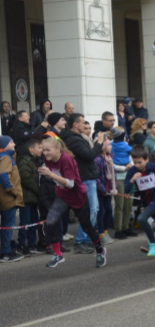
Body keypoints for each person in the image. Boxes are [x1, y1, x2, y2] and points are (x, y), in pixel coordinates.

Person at [38, 136, 107, 268]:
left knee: (87, 226)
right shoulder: (47, 159)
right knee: (51, 221)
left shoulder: (66, 159)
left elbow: (70, 184)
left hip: (77, 196)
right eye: (43, 150)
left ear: (58, 149)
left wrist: (51, 175)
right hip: (62, 195)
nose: (45, 153)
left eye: (48, 150)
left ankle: (100, 250)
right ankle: (58, 254)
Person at [63, 113, 107, 253]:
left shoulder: (78, 138)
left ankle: (87, 240)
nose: (85, 125)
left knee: (93, 210)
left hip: (88, 177)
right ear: (75, 125)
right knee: (91, 210)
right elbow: (89, 155)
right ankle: (81, 241)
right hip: (84, 178)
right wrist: (99, 142)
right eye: (82, 123)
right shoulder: (73, 140)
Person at [17, 139, 42, 257]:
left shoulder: (35, 161)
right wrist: (39, 190)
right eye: (39, 147)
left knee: (33, 222)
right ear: (31, 149)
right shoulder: (24, 160)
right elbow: (25, 178)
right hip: (27, 197)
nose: (41, 150)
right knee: (25, 222)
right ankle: (21, 245)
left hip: (33, 197)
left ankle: (32, 245)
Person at [110, 127, 136, 239]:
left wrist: (126, 167)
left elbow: (132, 158)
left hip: (128, 177)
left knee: (127, 204)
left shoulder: (111, 145)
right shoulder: (125, 146)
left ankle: (125, 227)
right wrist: (125, 167)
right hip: (119, 178)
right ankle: (118, 229)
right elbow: (134, 155)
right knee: (121, 205)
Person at [0, 136, 22, 262]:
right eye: (11, 142)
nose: (14, 144)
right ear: (4, 145)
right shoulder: (5, 157)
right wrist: (13, 191)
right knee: (7, 226)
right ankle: (6, 253)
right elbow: (3, 175)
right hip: (7, 198)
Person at [94, 141, 116, 245]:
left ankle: (106, 231)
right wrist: (103, 189)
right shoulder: (97, 160)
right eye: (108, 145)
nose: (110, 146)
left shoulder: (109, 158)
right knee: (101, 211)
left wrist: (113, 187)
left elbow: (113, 174)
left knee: (109, 210)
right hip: (100, 191)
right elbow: (96, 177)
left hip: (108, 190)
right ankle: (101, 233)